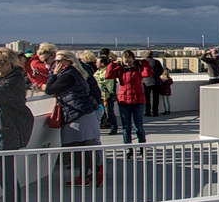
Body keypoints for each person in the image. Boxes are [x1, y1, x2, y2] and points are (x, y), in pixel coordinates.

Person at [46, 50, 102, 185]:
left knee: (77, 147)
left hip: (77, 115)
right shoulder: (77, 72)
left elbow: (49, 89)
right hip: (85, 112)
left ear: (67, 61)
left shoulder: (67, 76)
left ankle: (89, 174)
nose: (56, 64)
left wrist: (53, 75)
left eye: (59, 61)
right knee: (83, 147)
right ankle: (90, 174)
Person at [0, 48, 35, 202]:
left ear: (7, 64)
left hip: (9, 132)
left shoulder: (12, 83)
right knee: (4, 175)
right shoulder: (8, 79)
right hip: (3, 131)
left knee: (5, 176)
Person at [105, 50, 152, 153]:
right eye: (126, 62)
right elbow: (108, 75)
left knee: (138, 126)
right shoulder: (119, 69)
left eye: (130, 62)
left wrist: (144, 63)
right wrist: (112, 64)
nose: (128, 64)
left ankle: (142, 147)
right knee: (126, 128)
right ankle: (128, 149)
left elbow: (147, 73)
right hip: (124, 101)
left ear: (134, 60)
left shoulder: (138, 68)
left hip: (138, 100)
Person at [94, 57, 119, 135]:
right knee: (101, 112)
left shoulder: (106, 72)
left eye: (97, 62)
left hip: (106, 95)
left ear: (102, 63)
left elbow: (107, 82)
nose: (96, 64)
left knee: (109, 112)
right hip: (99, 95)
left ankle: (113, 127)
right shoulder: (98, 71)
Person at [143, 51, 165, 116]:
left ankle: (148, 112)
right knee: (156, 98)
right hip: (156, 82)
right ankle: (155, 112)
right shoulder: (156, 62)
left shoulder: (143, 62)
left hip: (146, 81)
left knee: (147, 98)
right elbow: (161, 71)